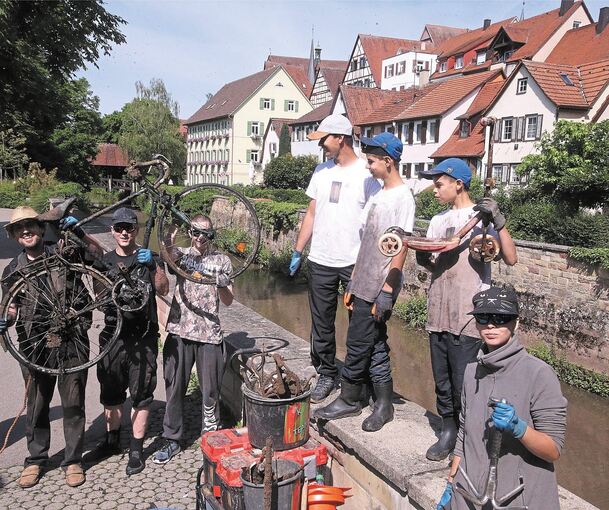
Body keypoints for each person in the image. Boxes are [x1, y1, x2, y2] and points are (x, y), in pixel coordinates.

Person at [416, 158, 518, 461]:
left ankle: (467, 434)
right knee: (442, 379)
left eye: (439, 184)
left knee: (465, 381)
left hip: (467, 317)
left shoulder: (482, 220)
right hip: (438, 312)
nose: (434, 190)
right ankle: (447, 429)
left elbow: (510, 258)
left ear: (458, 183)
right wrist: (423, 257)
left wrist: (498, 220)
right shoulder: (437, 221)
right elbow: (432, 263)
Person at [315, 132, 414, 432]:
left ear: (388, 161)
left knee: (358, 342)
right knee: (375, 342)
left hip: (380, 282)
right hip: (364, 279)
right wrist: (354, 284)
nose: (368, 167)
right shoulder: (379, 194)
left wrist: (387, 289)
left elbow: (401, 245)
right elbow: (366, 242)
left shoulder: (402, 197)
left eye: (371, 161)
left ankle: (350, 397)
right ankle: (383, 405)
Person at [436, 287, 567, 510]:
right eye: (483, 317)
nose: (490, 325)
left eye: (501, 318)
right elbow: (464, 433)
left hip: (520, 500)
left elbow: (553, 450)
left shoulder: (539, 374)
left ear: (516, 323)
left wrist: (520, 429)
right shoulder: (471, 372)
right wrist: (452, 481)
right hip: (469, 493)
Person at [0, 206, 102, 488]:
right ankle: (36, 460)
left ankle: (73, 460)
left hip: (73, 340)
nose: (26, 231)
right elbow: (11, 308)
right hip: (33, 345)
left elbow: (98, 257)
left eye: (31, 225)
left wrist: (80, 232)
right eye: (19, 229)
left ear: (41, 228)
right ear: (13, 235)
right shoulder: (12, 270)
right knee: (37, 405)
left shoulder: (64, 252)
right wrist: (4, 319)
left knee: (72, 403)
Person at [290, 113, 381, 403]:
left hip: (354, 262)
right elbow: (312, 213)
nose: (322, 146)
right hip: (321, 259)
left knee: (360, 324)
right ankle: (327, 373)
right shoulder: (321, 171)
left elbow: (376, 222)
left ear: (340, 138)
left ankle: (358, 378)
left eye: (324, 140)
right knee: (321, 322)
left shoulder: (367, 176)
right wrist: (298, 249)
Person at [89, 207, 169, 475]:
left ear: (135, 230)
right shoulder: (106, 260)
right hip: (113, 336)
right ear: (112, 230)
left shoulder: (150, 257)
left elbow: (163, 288)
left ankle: (136, 450)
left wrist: (153, 266)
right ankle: (112, 441)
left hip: (143, 336)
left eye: (130, 228)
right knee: (110, 392)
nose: (124, 232)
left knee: (142, 394)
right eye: (119, 228)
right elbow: (100, 297)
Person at [152, 215, 232, 464]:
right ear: (190, 232)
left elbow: (229, 300)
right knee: (175, 388)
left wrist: (221, 285)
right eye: (196, 232)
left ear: (212, 235)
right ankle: (172, 439)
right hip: (180, 329)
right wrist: (166, 239)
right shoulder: (182, 254)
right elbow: (165, 256)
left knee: (210, 391)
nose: (200, 238)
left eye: (206, 233)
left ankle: (211, 438)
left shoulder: (222, 260)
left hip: (209, 333)